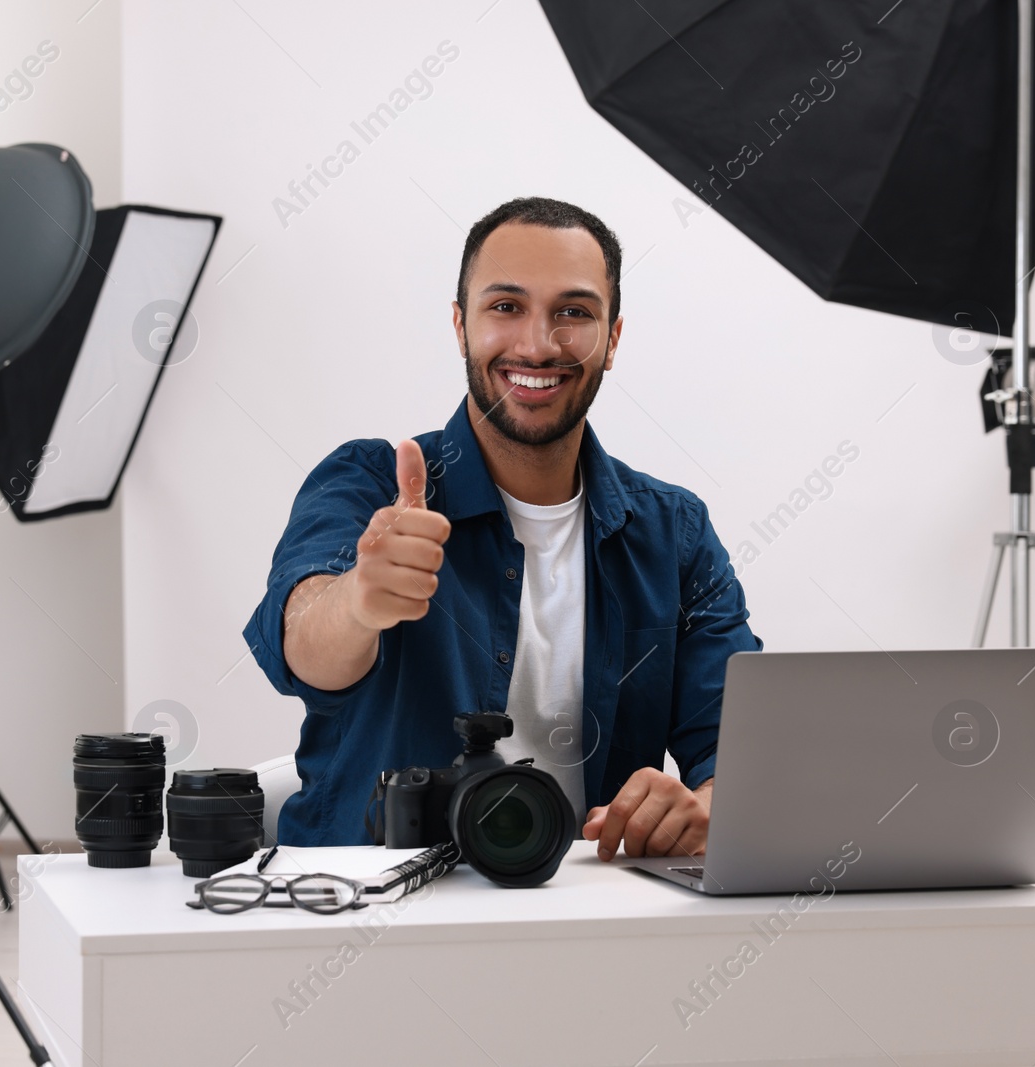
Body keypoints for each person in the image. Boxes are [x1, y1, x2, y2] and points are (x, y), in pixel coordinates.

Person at [242, 196, 761, 861]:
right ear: (460, 326)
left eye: (573, 313)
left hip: (579, 918)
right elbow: (302, 644)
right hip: (372, 914)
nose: (538, 344)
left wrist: (704, 812)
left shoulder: (676, 533)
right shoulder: (368, 481)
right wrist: (358, 599)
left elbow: (739, 755)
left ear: (613, 339)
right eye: (506, 307)